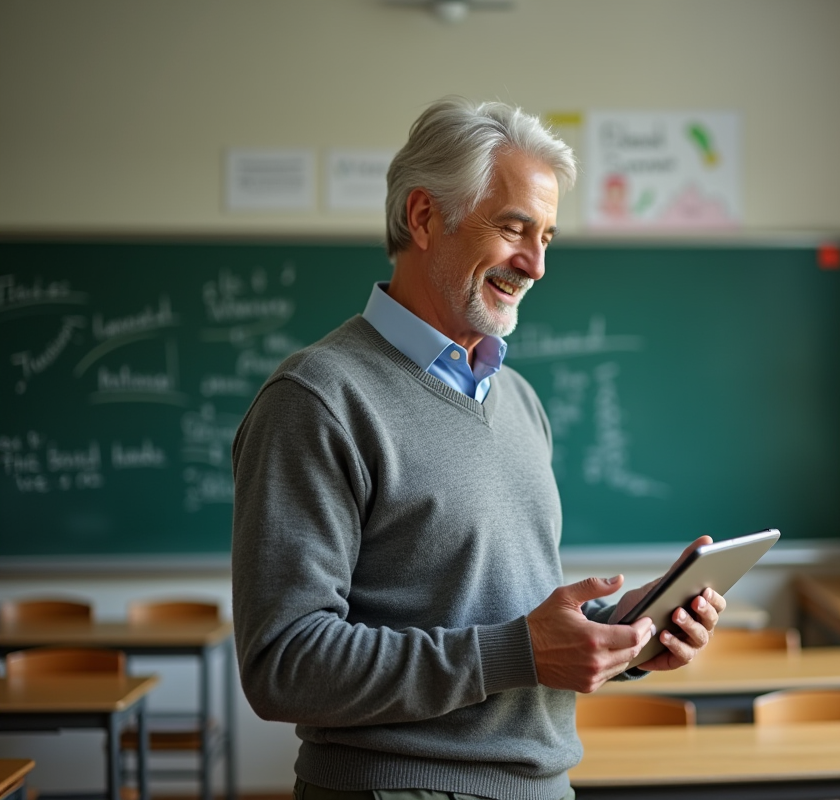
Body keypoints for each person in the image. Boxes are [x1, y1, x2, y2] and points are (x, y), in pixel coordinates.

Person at [230, 97, 726, 800]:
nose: (536, 264)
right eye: (515, 228)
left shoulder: (518, 400)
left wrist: (623, 634)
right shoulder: (317, 400)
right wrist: (519, 651)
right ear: (425, 218)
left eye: (548, 236)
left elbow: (505, 630)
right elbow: (284, 665)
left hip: (540, 787)